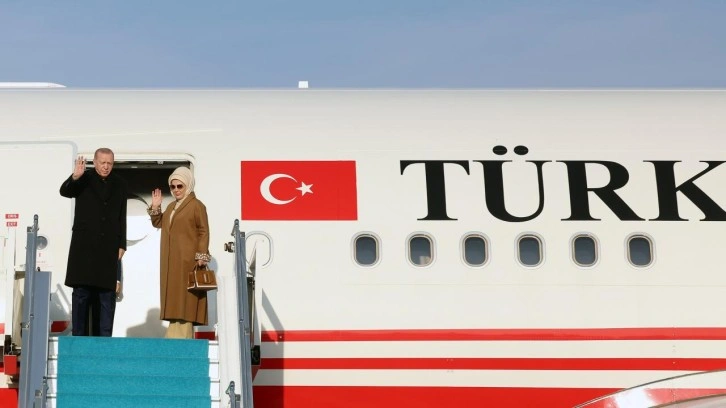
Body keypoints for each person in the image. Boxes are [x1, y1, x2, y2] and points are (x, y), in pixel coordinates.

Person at [60, 148, 127, 337]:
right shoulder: (84, 178)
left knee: (106, 296)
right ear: (95, 162)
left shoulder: (120, 183)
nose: (106, 167)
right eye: (102, 162)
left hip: (108, 246)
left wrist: (122, 243)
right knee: (81, 294)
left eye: (109, 163)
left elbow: (122, 215)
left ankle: (104, 341)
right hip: (84, 247)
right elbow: (65, 191)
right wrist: (75, 176)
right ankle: (78, 338)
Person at [148, 167, 211, 339]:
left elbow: (203, 231)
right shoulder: (171, 206)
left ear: (188, 185)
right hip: (171, 260)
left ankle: (182, 336)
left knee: (186, 298)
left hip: (187, 260)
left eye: (180, 186)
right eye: (173, 186)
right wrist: (155, 207)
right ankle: (175, 333)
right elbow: (159, 223)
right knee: (174, 297)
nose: (176, 190)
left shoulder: (197, 206)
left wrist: (201, 255)